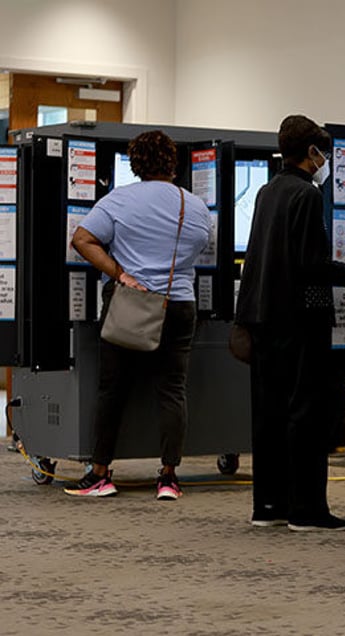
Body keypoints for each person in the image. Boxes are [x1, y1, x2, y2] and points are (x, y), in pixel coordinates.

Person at [65, 130, 212, 500]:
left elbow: (82, 240)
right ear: (172, 163)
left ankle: (100, 474)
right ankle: (168, 478)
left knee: (113, 390)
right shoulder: (193, 205)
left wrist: (121, 273)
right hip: (179, 304)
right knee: (172, 390)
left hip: (132, 302)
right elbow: (201, 245)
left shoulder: (118, 200)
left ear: (135, 164)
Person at [235, 115, 345, 531]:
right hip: (299, 319)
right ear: (312, 152)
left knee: (268, 414)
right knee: (305, 414)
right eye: (324, 152)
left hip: (261, 316)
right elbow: (309, 264)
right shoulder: (306, 195)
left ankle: (269, 507)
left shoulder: (267, 191)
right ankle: (308, 510)